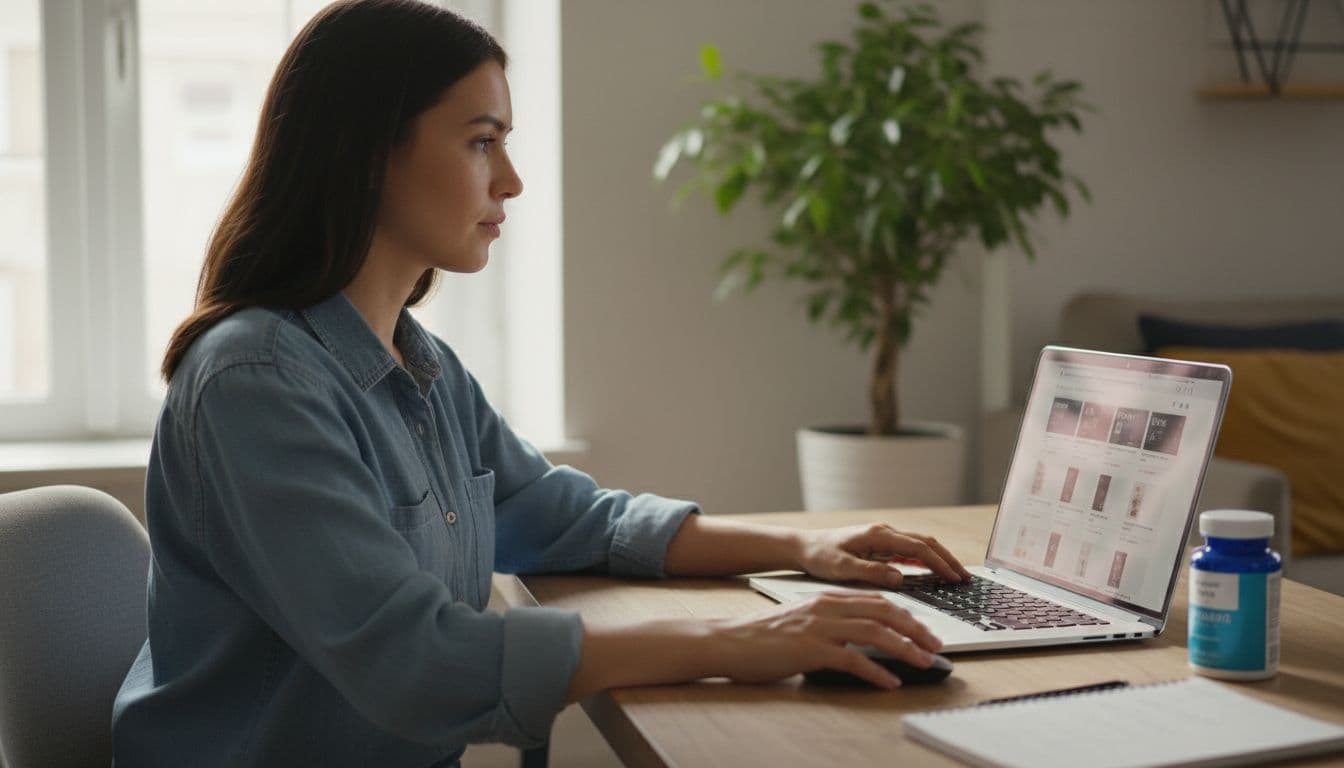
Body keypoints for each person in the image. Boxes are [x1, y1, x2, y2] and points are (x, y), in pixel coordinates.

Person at [110, 1, 971, 765]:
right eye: (482, 141)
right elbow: (413, 660)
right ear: (372, 154)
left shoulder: (423, 367)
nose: (511, 181)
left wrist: (805, 550)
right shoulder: (255, 382)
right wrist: (746, 640)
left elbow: (572, 519)